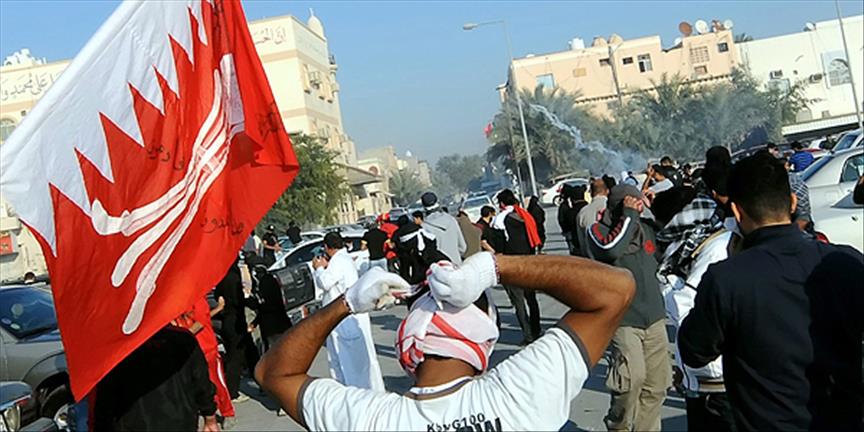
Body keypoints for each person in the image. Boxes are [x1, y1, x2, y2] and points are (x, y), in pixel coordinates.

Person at [255, 252, 635, 431]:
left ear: (411, 334)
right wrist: (493, 267)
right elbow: (617, 288)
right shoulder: (521, 390)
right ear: (484, 335)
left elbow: (273, 374)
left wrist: (347, 303)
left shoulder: (371, 419)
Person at [679, 153, 864, 431]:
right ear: (793, 202)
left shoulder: (725, 279)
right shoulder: (846, 262)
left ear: (737, 212)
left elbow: (694, 351)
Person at [655, 159, 738, 431]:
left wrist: (666, 281)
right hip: (705, 381)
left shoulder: (715, 250)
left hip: (717, 384)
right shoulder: (708, 245)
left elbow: (686, 310)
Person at [586, 184, 670, 432]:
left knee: (656, 386)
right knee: (630, 380)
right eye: (632, 202)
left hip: (654, 317)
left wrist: (655, 208)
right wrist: (629, 215)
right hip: (624, 320)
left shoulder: (646, 228)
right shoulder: (598, 230)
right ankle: (618, 425)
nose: (638, 206)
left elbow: (670, 235)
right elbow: (611, 250)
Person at [94, 325, 219, 431]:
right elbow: (201, 383)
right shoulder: (184, 339)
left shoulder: (120, 345)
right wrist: (210, 416)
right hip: (178, 420)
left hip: (135, 422)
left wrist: (101, 425)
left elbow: (106, 396)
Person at [312, 232, 384, 391]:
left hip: (344, 319)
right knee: (356, 359)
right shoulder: (344, 259)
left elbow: (325, 282)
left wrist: (319, 269)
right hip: (347, 317)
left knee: (350, 362)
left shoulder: (338, 261)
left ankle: (355, 392)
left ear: (327, 247)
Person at [174, 296, 236, 424]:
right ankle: (209, 412)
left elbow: (201, 322)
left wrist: (183, 335)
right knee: (198, 384)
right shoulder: (176, 303)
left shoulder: (197, 300)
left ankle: (228, 412)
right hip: (190, 352)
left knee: (217, 382)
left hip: (208, 349)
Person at [493, 189, 543, 344]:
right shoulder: (524, 216)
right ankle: (536, 329)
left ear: (502, 204)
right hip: (528, 262)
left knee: (519, 302)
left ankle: (528, 335)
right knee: (531, 299)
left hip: (512, 264)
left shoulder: (500, 220)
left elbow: (499, 245)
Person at [421, 192, 467, 265]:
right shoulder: (451, 220)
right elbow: (463, 247)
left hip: (440, 267)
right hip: (457, 264)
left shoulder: (424, 227)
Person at [576, 178, 609, 257]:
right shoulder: (613, 207)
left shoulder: (583, 212)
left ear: (591, 193)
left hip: (592, 260)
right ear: (607, 191)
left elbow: (582, 242)